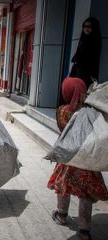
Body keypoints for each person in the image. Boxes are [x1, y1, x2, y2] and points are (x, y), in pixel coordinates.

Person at [47, 77, 108, 240]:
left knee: (63, 187)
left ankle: (61, 214)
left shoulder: (61, 110)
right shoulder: (91, 113)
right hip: (86, 160)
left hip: (67, 158)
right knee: (86, 194)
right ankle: (84, 230)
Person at [70, 17, 101, 88]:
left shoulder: (94, 41)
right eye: (84, 26)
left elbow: (93, 59)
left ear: (93, 28)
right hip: (79, 70)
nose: (86, 29)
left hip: (87, 72)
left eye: (89, 26)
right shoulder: (83, 39)